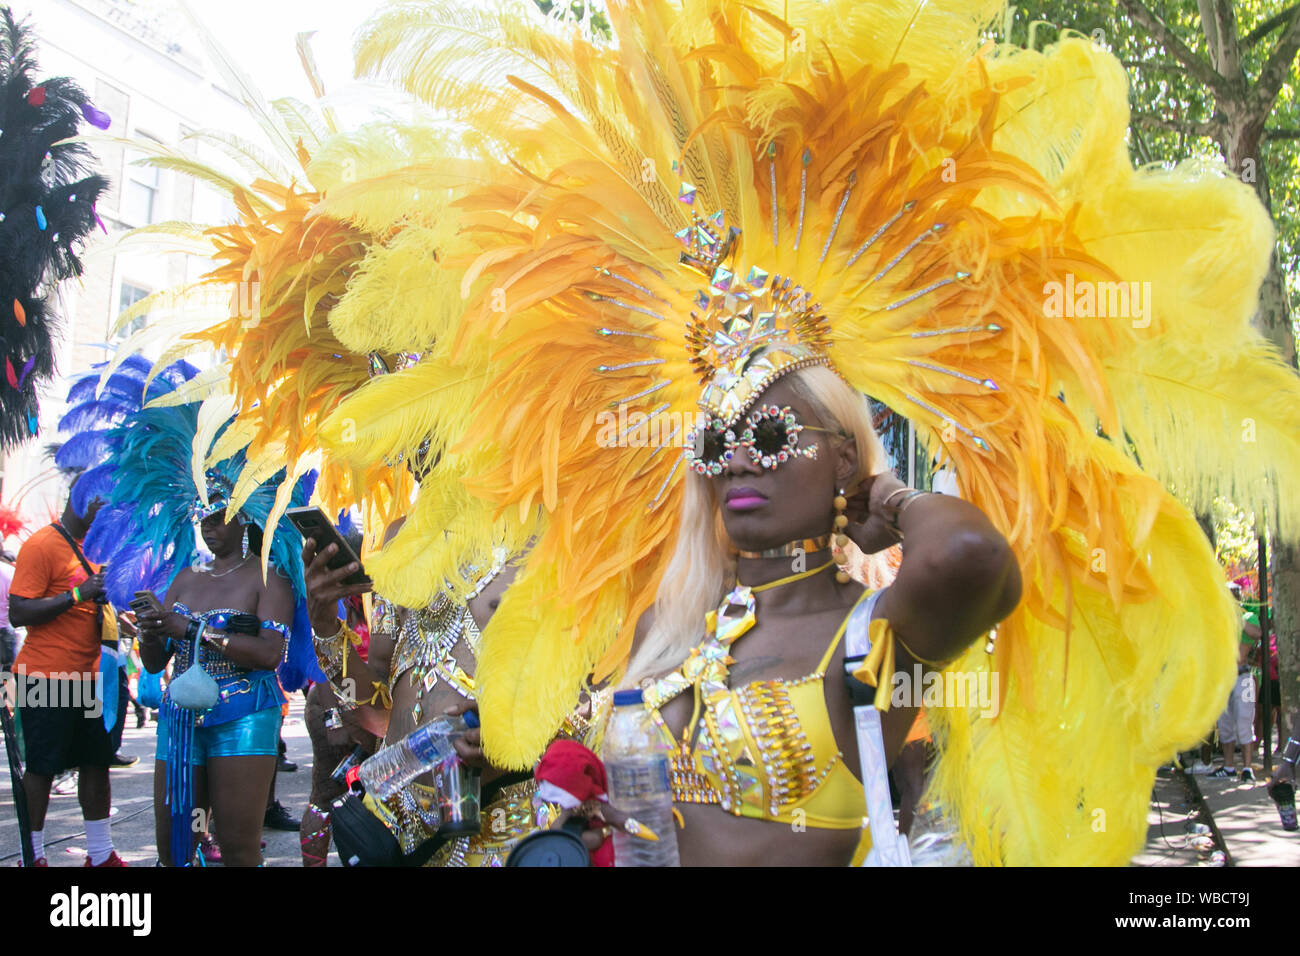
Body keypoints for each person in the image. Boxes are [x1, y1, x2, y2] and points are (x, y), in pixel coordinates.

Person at [327, 0, 1300, 864]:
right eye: (717, 440)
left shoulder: (868, 637)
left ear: (844, 453)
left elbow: (969, 556)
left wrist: (887, 497)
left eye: (776, 433)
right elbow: (490, 710)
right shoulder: (666, 629)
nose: (739, 455)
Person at [65, 360, 319, 867]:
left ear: (244, 514)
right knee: (176, 849)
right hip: (179, 721)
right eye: (200, 513)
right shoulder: (185, 578)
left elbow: (270, 654)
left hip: (245, 715)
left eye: (217, 512)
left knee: (239, 848)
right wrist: (153, 630)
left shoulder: (270, 577)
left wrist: (194, 629)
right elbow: (157, 663)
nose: (206, 524)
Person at [9, 486, 125, 866]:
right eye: (104, 504)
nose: (108, 514)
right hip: (44, 677)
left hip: (89, 678)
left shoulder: (95, 546)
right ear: (85, 499)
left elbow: (93, 601)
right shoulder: (43, 544)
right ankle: (34, 856)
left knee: (96, 763)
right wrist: (78, 594)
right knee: (42, 768)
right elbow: (19, 612)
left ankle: (100, 853)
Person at [1210, 587, 1261, 782]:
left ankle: (1247, 768)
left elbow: (1257, 634)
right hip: (1223, 678)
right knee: (1224, 724)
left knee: (1244, 721)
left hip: (1243, 677)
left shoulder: (1248, 617)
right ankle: (1229, 766)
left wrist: (1236, 616)